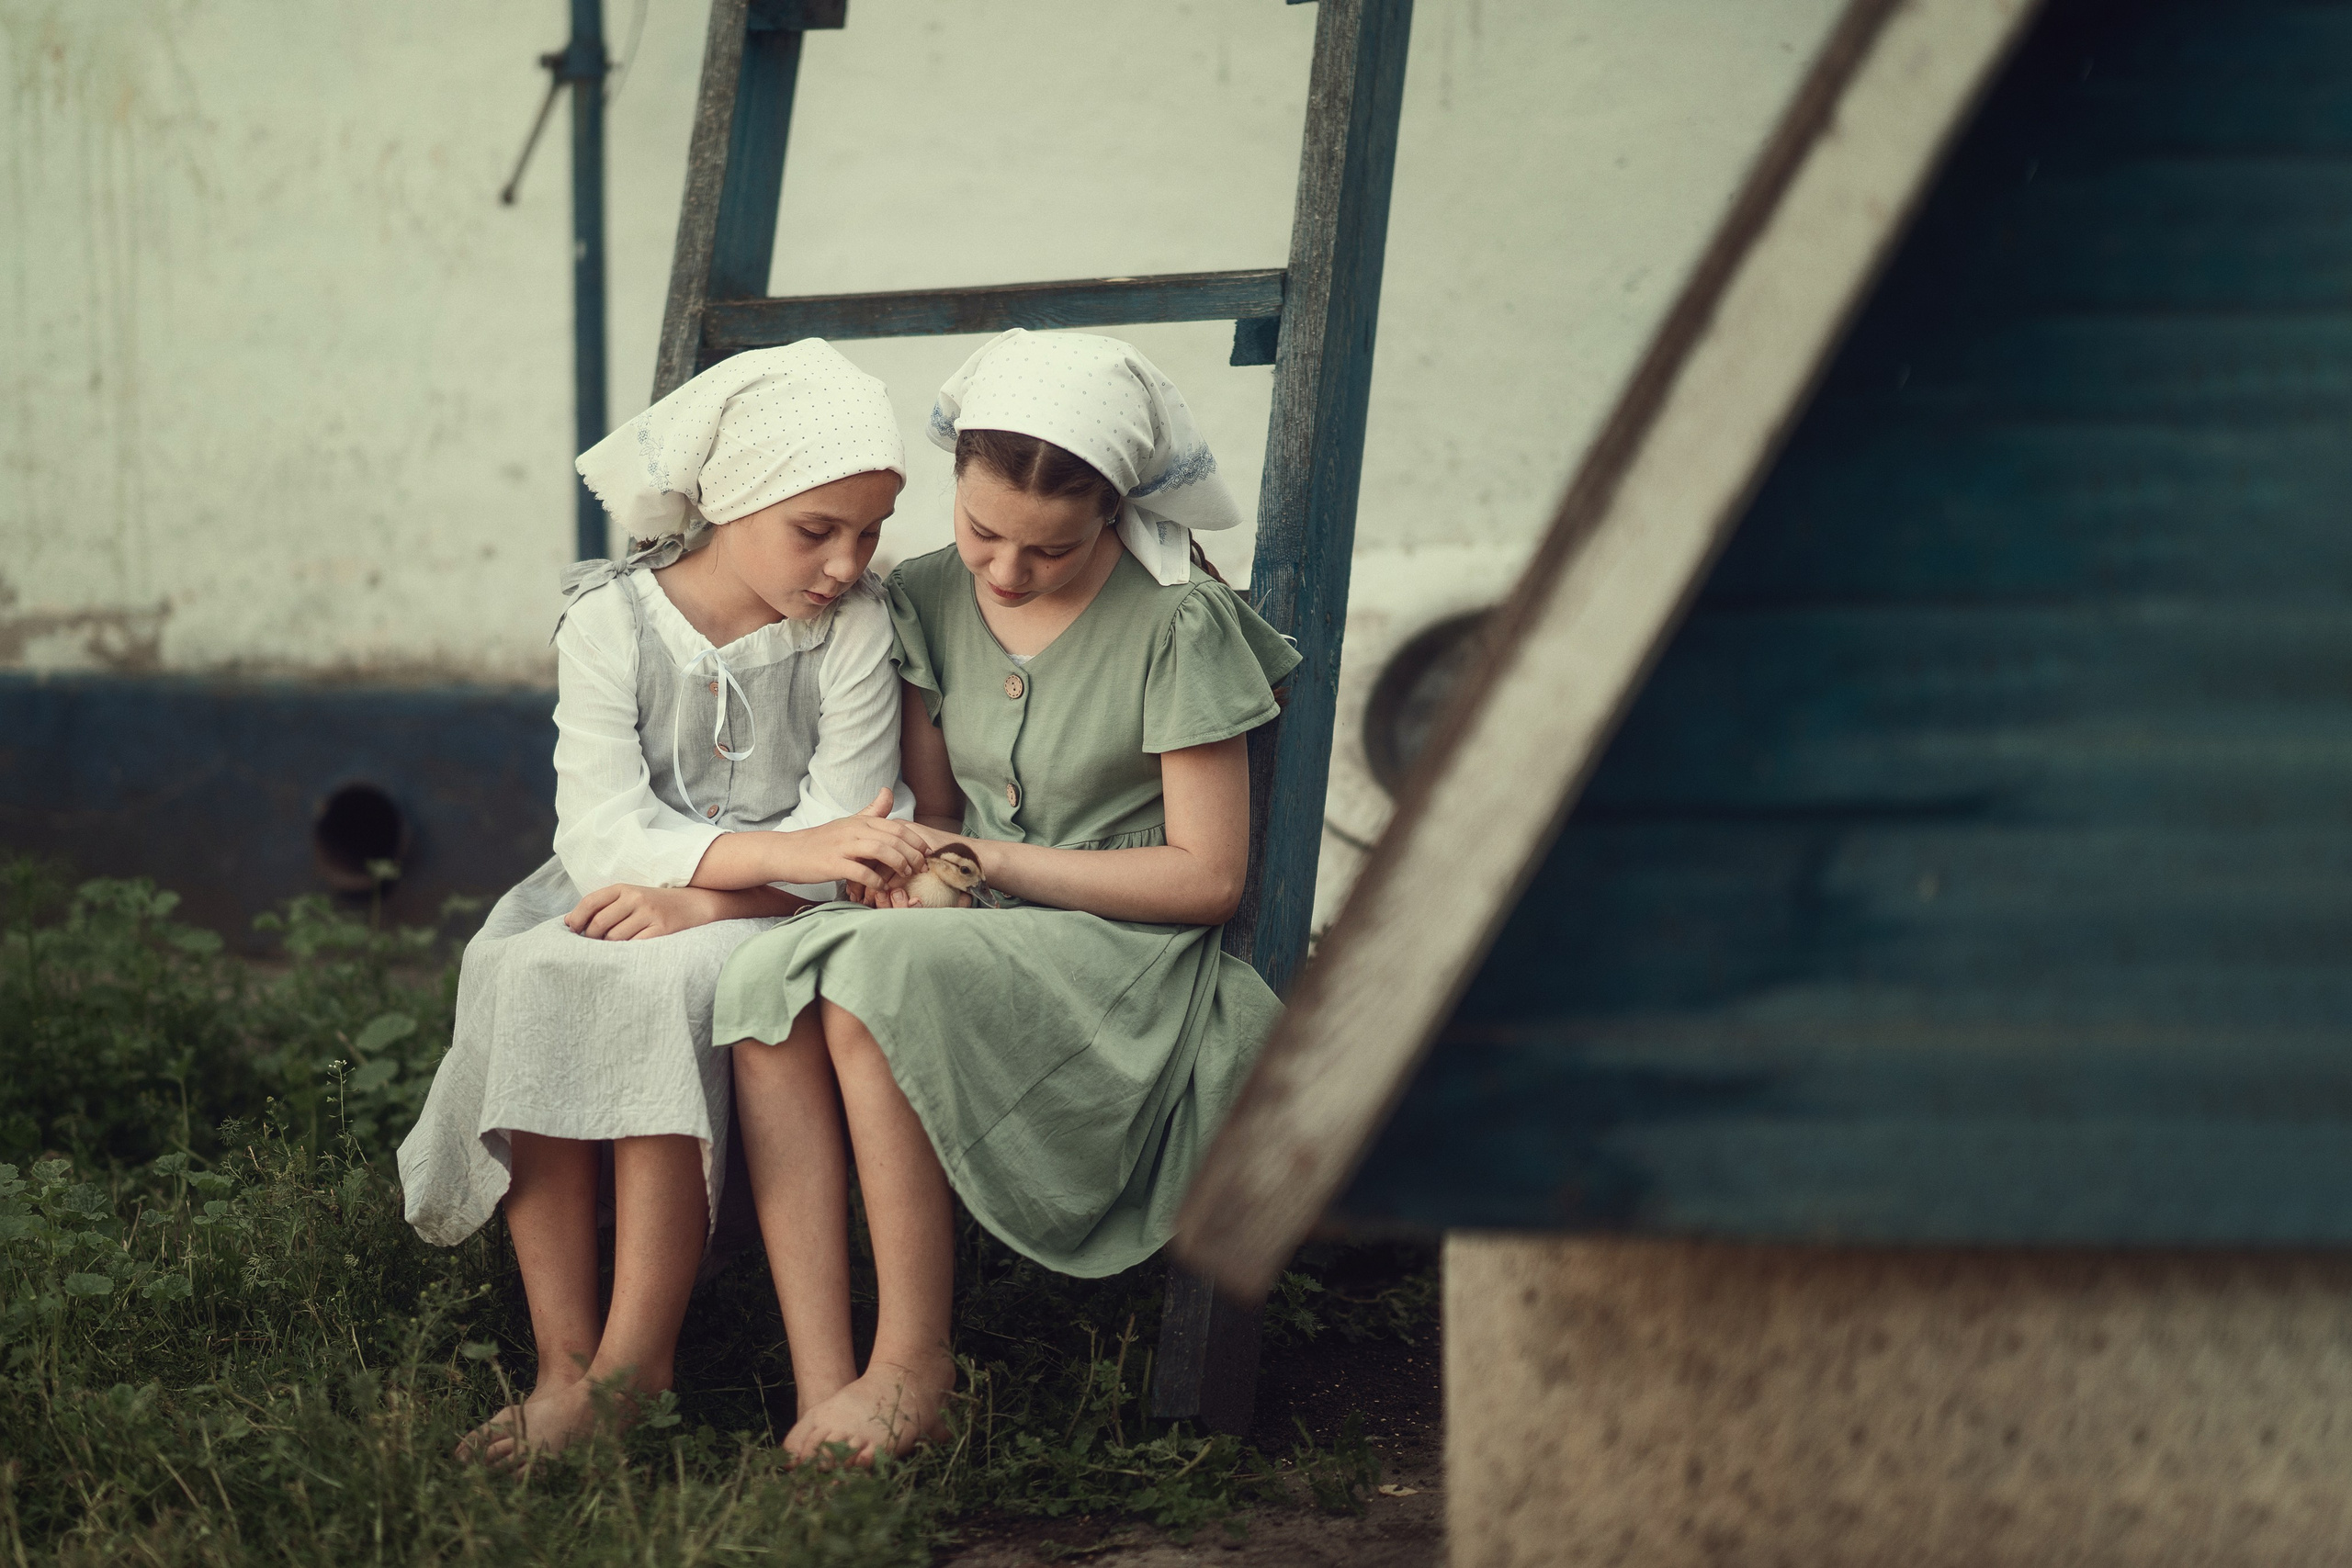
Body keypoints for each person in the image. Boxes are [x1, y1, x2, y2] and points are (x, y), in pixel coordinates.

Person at [715, 329, 1301, 1464]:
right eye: (983, 532)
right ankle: (822, 1376)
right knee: (772, 976)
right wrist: (920, 873)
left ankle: (915, 1362)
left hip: (1125, 958)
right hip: (980, 934)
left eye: (1053, 549)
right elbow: (931, 811)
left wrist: (986, 863)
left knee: (872, 977)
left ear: (1114, 512)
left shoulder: (1173, 620)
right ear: (954, 488)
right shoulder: (926, 595)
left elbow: (1207, 878)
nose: (1007, 572)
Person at [394, 339, 934, 1465]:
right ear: (729, 503)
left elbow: (851, 830)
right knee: (533, 967)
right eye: (815, 530)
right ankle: (563, 1360)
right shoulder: (611, 620)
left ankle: (637, 1365)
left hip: (783, 913)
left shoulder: (856, 628)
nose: (846, 562)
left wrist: (712, 904)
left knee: (660, 982)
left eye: (868, 532)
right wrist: (721, 875)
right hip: (617, 887)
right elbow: (599, 832)